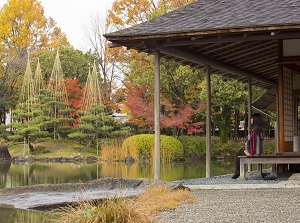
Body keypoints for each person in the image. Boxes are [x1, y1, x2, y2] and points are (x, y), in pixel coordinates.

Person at [232, 113, 264, 179]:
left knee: (238, 153)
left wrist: (247, 151)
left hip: (254, 151)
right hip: (258, 150)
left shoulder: (255, 130)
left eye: (252, 118)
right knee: (239, 152)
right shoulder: (260, 129)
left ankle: (238, 171)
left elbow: (251, 142)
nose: (251, 119)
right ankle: (237, 171)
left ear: (255, 119)